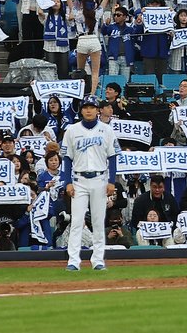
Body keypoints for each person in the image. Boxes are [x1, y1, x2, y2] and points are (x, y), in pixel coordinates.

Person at [59, 99, 120, 271]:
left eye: (91, 107)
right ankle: (73, 261)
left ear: (97, 110)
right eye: (85, 107)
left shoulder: (106, 130)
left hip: (100, 179)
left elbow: (113, 156)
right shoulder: (72, 130)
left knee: (98, 221)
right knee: (77, 221)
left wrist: (111, 181)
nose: (88, 111)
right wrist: (67, 182)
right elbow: (66, 158)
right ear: (81, 110)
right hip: (79, 180)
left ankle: (98, 260)